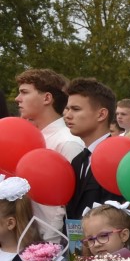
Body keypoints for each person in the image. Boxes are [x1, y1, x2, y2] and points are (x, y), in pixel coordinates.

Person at [15, 69, 84, 243]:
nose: (17, 98)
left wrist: (50, 245)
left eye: (24, 92)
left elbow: (69, 203)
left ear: (47, 98)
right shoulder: (27, 138)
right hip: (25, 237)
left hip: (53, 243)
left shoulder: (68, 142)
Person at [63, 78, 127, 220]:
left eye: (76, 109)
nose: (67, 115)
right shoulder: (78, 160)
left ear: (101, 114)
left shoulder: (118, 158)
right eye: (67, 108)